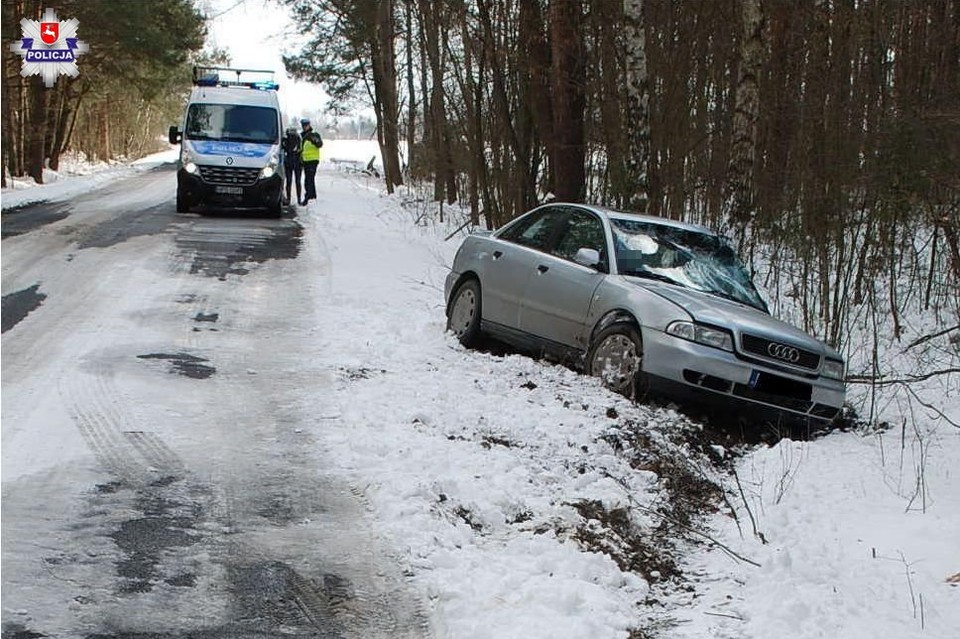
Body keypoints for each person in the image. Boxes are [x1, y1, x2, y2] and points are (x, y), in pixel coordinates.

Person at [300, 118, 323, 205]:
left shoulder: (314, 134)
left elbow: (320, 144)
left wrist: (314, 139)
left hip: (313, 160)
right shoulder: (302, 135)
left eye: (306, 125)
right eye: (303, 126)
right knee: (308, 179)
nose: (305, 127)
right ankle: (312, 196)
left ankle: (308, 197)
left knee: (309, 179)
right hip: (305, 160)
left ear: (309, 125)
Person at [281, 126, 302, 206]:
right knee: (298, 181)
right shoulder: (299, 138)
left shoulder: (286, 139)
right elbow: (300, 149)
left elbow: (284, 148)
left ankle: (288, 199)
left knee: (289, 182)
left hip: (289, 162)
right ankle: (299, 200)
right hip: (297, 162)